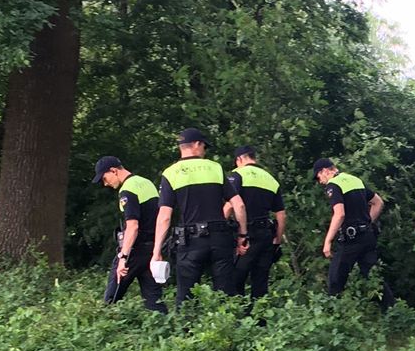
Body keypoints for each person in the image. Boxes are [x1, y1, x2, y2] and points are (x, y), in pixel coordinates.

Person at [151, 128, 239, 307]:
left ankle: (187, 331)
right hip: (220, 238)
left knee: (186, 296)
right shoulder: (215, 168)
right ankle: (229, 329)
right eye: (204, 146)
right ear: (197, 144)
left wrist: (156, 250)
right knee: (225, 294)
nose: (205, 151)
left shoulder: (171, 173)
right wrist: (243, 235)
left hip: (190, 242)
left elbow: (165, 217)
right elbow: (239, 204)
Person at [312, 158, 394, 305]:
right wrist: (368, 222)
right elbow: (378, 202)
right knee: (374, 278)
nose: (320, 182)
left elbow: (340, 214)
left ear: (325, 171)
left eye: (318, 177)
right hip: (367, 237)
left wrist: (328, 241)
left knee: (335, 280)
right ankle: (392, 312)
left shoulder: (333, 185)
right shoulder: (354, 180)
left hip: (351, 240)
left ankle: (334, 316)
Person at [92, 156, 168, 314]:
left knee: (111, 300)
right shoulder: (146, 183)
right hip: (151, 250)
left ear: (113, 171)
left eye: (105, 178)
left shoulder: (127, 190)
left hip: (134, 251)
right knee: (155, 303)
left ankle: (105, 328)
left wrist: (123, 258)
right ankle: (164, 333)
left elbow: (133, 226)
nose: (105, 184)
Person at [227, 145, 286, 298]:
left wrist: (219, 228)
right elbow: (281, 214)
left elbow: (229, 206)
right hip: (266, 235)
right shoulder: (270, 179)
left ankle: (238, 316)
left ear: (239, 159)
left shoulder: (237, 175)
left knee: (235, 278)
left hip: (246, 236)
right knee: (260, 282)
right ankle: (260, 319)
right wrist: (277, 240)